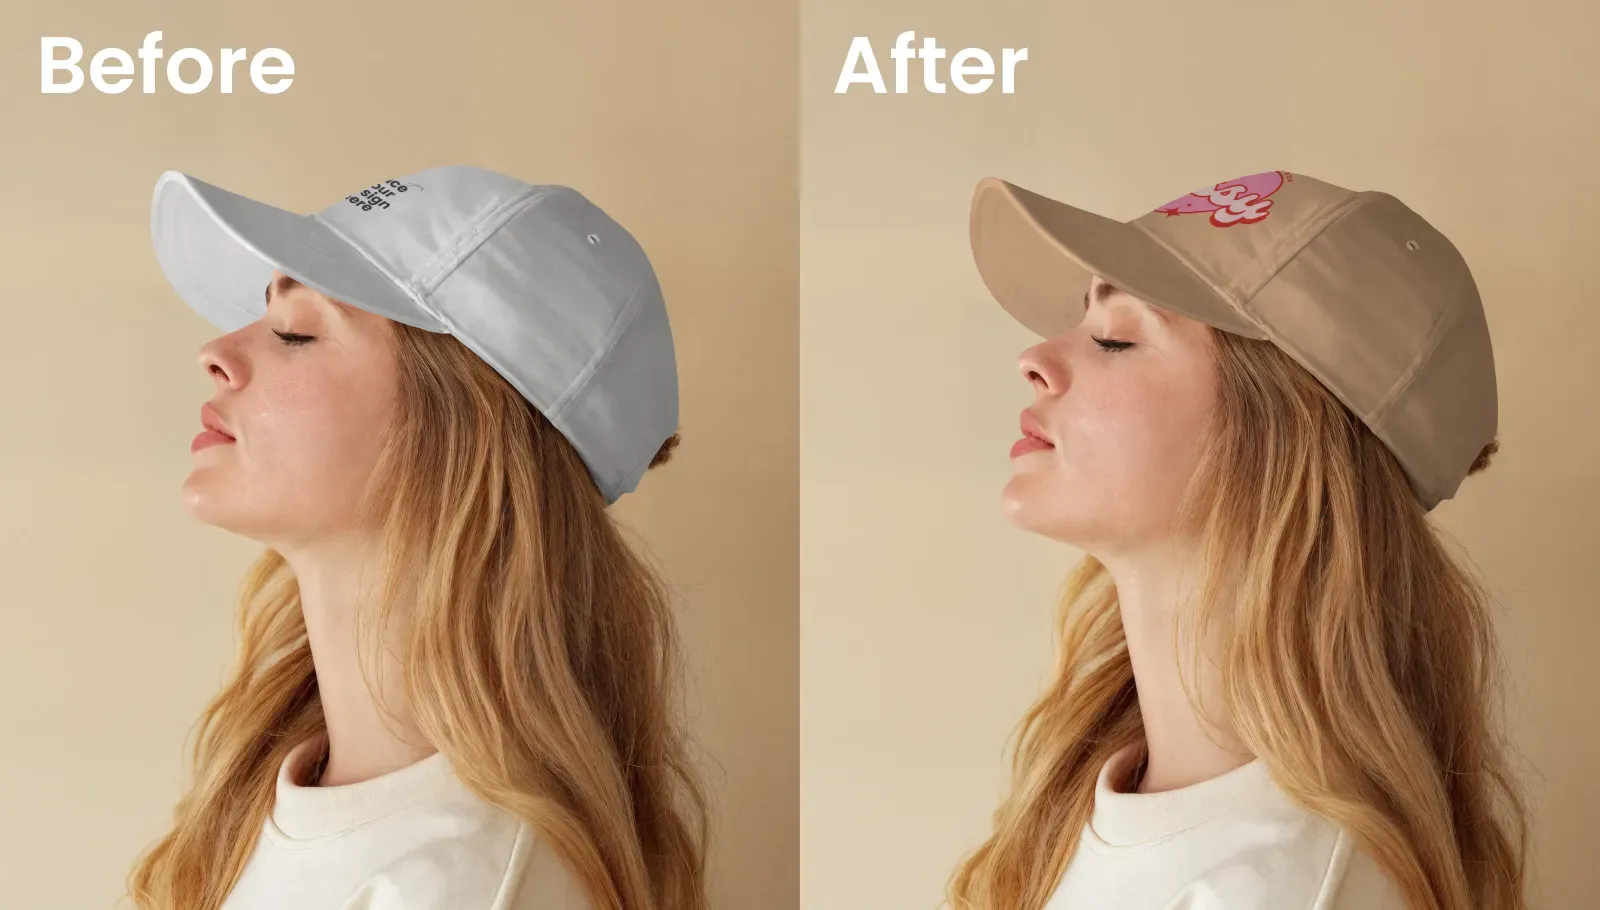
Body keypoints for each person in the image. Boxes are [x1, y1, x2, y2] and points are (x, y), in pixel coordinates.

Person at [126, 166, 709, 910]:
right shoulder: (265, 806)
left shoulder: (468, 888)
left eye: (297, 332)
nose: (217, 351)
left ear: (462, 436)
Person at [948, 170, 1530, 910]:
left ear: (1282, 440)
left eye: (1116, 339)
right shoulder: (1085, 811)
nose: (1036, 359)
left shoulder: (1290, 892)